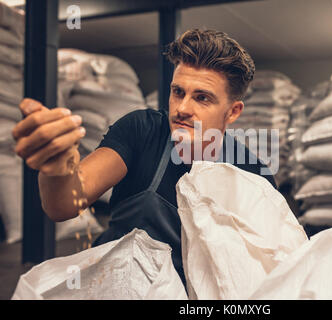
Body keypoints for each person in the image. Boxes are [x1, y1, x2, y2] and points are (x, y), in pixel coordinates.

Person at [12, 29, 277, 286]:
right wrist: (58, 169)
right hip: (115, 285)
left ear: (232, 112)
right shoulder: (143, 130)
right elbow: (65, 204)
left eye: (202, 98)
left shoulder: (253, 174)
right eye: (178, 92)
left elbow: (263, 267)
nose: (183, 108)